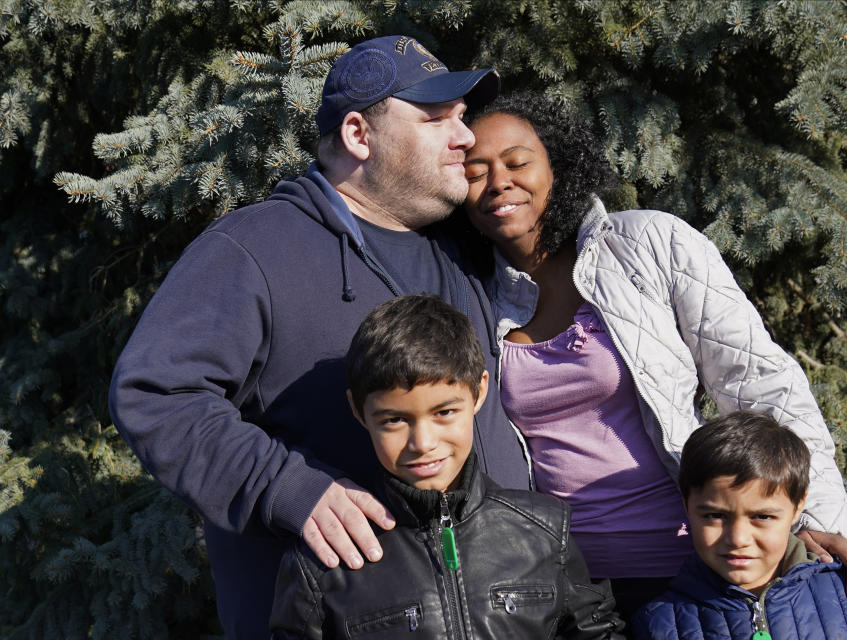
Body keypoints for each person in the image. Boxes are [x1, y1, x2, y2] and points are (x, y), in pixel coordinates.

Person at [108, 36, 531, 638]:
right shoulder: (254, 250)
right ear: (359, 135)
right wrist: (288, 488)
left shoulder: (464, 248)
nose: (465, 138)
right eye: (437, 119)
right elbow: (155, 394)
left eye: (463, 117)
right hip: (323, 618)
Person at [458, 92, 847, 628]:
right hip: (568, 591)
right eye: (476, 171)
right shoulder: (472, 292)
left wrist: (823, 518)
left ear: (559, 167)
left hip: (694, 573)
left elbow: (758, 382)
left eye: (518, 163)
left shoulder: (647, 244)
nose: (499, 182)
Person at [269, 294, 624, 639]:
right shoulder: (323, 560)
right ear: (359, 411)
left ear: (479, 392)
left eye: (444, 412)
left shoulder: (546, 529)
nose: (422, 443)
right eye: (394, 419)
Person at [634, 411, 847, 640]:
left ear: (797, 507)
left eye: (762, 517)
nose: (738, 538)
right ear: (686, 505)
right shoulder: (660, 621)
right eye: (714, 516)